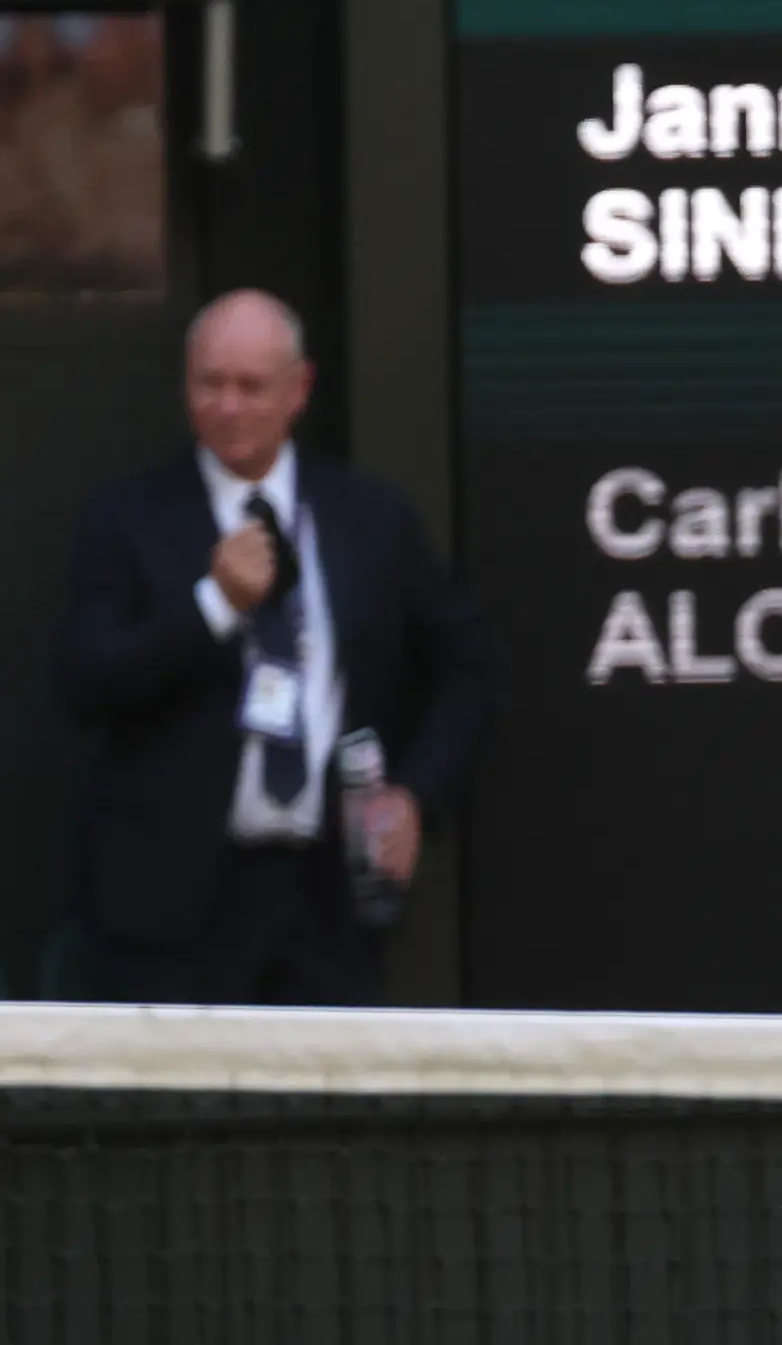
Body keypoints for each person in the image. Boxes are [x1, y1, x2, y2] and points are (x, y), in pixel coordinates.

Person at [54, 289, 494, 1003]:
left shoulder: (369, 516)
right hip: (174, 905)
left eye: (251, 386)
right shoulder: (127, 517)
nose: (228, 407)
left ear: (299, 389)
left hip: (328, 898)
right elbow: (86, 683)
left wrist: (415, 794)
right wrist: (213, 605)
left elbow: (467, 666)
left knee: (329, 1075)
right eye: (210, 383)